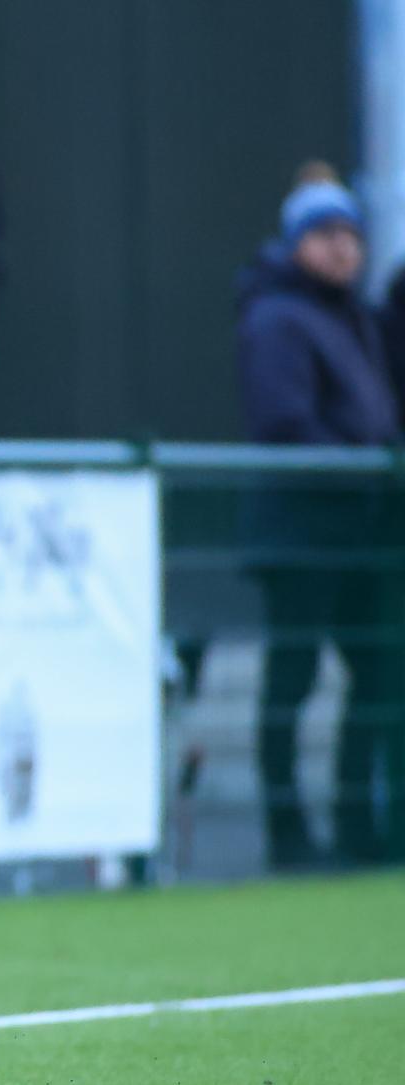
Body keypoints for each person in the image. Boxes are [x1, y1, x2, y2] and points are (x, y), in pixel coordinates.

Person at [236, 177, 399, 869]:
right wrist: (363, 465)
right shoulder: (276, 318)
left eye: (351, 237)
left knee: (382, 679)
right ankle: (288, 832)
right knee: (291, 684)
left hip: (362, 533)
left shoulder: (355, 318)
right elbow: (284, 422)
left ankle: (361, 827)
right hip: (303, 531)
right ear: (297, 243)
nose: (342, 251)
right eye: (327, 237)